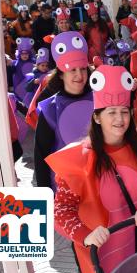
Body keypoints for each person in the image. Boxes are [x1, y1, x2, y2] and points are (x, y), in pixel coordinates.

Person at [46, 64, 137, 273]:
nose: (119, 119)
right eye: (111, 113)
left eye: (124, 112)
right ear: (96, 117)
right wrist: (85, 235)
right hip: (102, 251)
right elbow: (61, 210)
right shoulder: (78, 160)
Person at [34, 31, 94, 190]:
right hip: (65, 192)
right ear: (61, 74)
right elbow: (41, 158)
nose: (79, 75)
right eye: (72, 70)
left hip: (98, 186)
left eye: (83, 69)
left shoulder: (100, 101)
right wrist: (46, 197)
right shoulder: (50, 109)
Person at [8, 37, 36, 102]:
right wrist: (10, 65)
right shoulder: (16, 62)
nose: (25, 55)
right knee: (20, 99)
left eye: (26, 54)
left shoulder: (33, 62)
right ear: (20, 54)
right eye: (22, 54)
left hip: (29, 85)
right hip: (18, 85)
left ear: (29, 54)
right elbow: (12, 71)